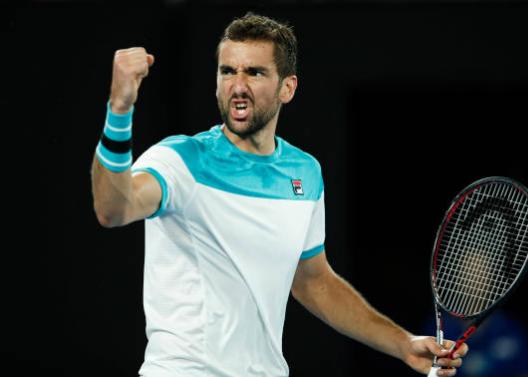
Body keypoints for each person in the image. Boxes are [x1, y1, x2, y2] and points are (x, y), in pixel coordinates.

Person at [91, 12, 468, 377]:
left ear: (287, 87)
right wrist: (119, 110)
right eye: (228, 71)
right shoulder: (179, 160)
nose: (238, 86)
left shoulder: (304, 173)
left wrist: (402, 344)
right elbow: (113, 208)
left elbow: (313, 281)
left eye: (254, 72)